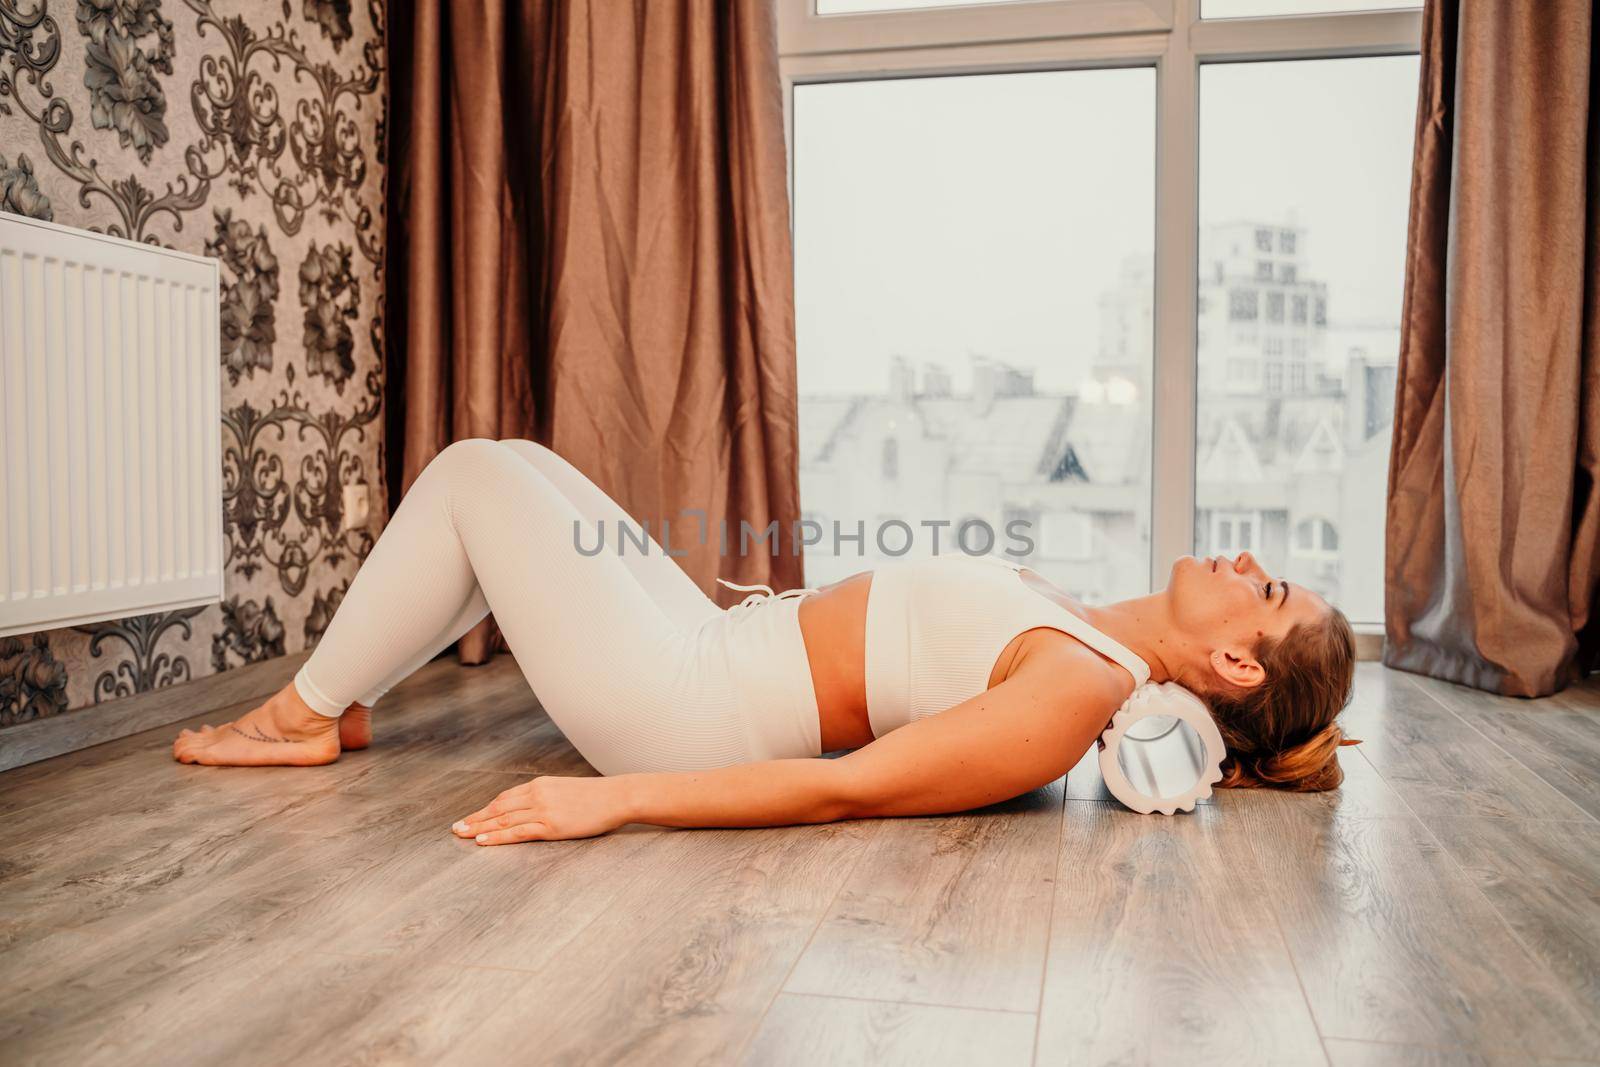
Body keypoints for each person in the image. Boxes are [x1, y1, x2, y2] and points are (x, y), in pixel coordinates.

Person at [174, 438, 1357, 844]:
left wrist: (622, 802)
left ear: (1239, 662)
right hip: (715, 638)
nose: (1248, 563)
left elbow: (850, 791)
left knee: (477, 477)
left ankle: (300, 715)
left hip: (681, 709)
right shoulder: (1087, 627)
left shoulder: (1073, 687)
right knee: (519, 464)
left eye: (1270, 588)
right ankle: (350, 685)